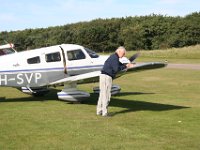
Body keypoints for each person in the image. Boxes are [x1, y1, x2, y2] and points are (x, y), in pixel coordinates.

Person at [97, 46, 134, 117]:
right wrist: (126, 66)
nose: (123, 56)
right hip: (106, 77)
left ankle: (99, 111)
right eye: (123, 54)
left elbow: (118, 65)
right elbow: (116, 69)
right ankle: (104, 113)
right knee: (106, 95)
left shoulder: (113, 57)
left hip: (103, 76)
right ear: (119, 52)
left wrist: (126, 65)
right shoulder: (115, 58)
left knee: (102, 94)